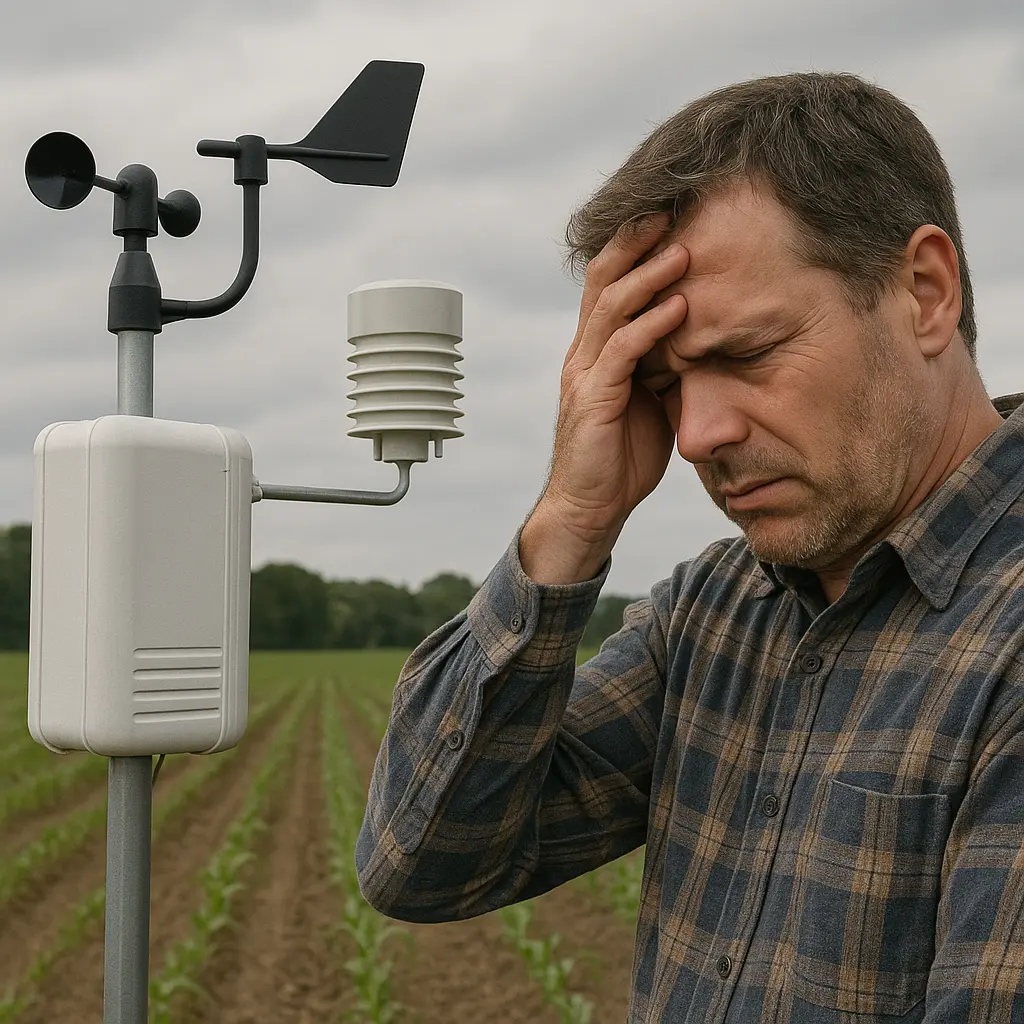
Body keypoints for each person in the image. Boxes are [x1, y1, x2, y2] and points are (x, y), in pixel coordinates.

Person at [355, 71, 1024, 1023]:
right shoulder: (717, 611)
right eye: (663, 384)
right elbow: (420, 862)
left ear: (924, 293)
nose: (699, 432)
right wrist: (571, 522)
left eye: (745, 355)